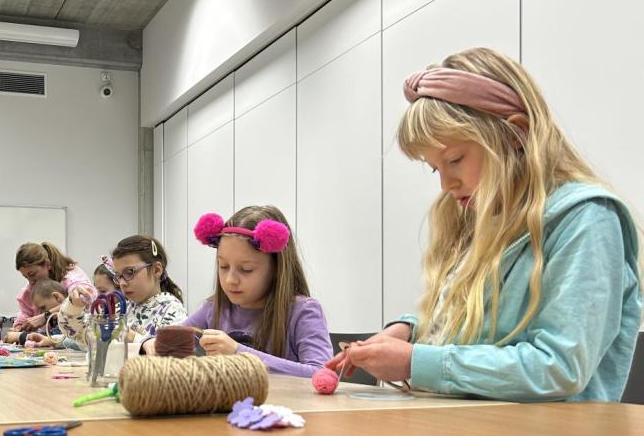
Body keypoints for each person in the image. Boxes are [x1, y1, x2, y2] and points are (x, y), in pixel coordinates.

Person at [326, 47, 641, 401]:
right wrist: (411, 331)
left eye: (455, 159)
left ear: (515, 135)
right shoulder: (475, 219)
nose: (446, 184)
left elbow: (559, 367)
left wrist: (416, 362)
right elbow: (471, 329)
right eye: (435, 168)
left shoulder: (587, 219)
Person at [145, 205, 333, 377]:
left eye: (246, 269)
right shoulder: (213, 308)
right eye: (223, 266)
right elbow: (167, 341)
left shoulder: (303, 312)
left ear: (277, 268)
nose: (230, 280)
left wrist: (237, 351)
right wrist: (149, 343)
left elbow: (321, 373)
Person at [64, 236, 187, 344]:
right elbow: (78, 333)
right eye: (118, 276)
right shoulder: (122, 307)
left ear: (156, 270)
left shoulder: (171, 310)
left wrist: (133, 338)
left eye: (129, 272)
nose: (122, 283)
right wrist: (74, 306)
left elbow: (173, 358)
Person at [7, 242, 95, 340]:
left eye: (32, 274)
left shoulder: (73, 279)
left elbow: (83, 301)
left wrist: (45, 316)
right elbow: (25, 313)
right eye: (25, 277)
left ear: (47, 264)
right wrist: (19, 326)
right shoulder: (29, 290)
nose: (31, 281)